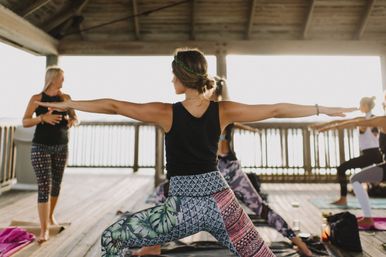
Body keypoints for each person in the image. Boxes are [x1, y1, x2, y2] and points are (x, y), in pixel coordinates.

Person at [37, 48, 355, 257]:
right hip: (222, 202)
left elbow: (114, 106)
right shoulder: (223, 110)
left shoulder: (166, 112)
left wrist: (67, 104)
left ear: (181, 76)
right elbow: (274, 108)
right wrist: (320, 108)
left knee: (112, 238)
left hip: (182, 208)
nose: (171, 78)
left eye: (173, 73)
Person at [136, 76, 313, 256]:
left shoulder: (220, 111)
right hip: (218, 170)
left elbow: (268, 111)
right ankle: (153, 245)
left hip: (222, 169)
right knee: (161, 195)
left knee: (259, 206)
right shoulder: (211, 112)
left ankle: (301, 245)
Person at [22, 66, 78, 243]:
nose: (63, 81)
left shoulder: (66, 98)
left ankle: (50, 216)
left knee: (56, 185)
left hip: (62, 147)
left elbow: (76, 117)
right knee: (44, 186)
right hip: (41, 147)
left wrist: (71, 122)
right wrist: (42, 118)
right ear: (53, 79)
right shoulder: (37, 99)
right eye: (62, 77)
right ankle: (44, 230)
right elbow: (25, 121)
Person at [313, 104, 386, 228]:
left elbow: (355, 122)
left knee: (355, 179)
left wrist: (328, 128)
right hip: (382, 163)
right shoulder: (379, 119)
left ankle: (368, 218)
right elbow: (353, 121)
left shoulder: (382, 119)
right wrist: (327, 126)